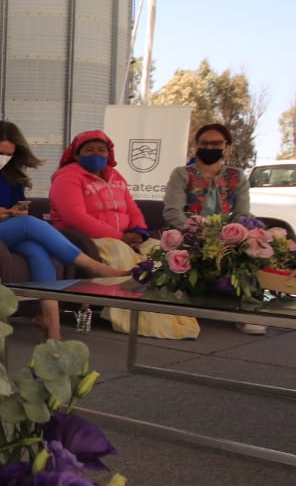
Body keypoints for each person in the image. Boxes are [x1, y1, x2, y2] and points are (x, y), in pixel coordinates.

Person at [0, 120, 127, 341]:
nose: (4, 159)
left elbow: (13, 206)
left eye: (9, 155)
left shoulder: (10, 173)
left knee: (37, 250)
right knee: (29, 225)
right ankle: (93, 267)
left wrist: (16, 212)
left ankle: (52, 327)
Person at [49, 129, 199, 340]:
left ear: (109, 154)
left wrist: (139, 232)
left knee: (159, 250)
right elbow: (76, 218)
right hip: (85, 239)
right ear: (76, 154)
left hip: (123, 237)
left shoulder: (115, 177)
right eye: (89, 150)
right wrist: (121, 237)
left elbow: (132, 209)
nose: (96, 154)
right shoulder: (67, 177)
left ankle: (169, 315)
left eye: (101, 150)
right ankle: (132, 317)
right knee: (119, 250)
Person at [162, 122, 264, 334]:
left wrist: (232, 235)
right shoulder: (182, 174)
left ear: (226, 146)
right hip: (189, 235)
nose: (209, 148)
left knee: (249, 250)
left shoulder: (236, 176)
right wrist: (196, 233)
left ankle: (248, 312)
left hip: (227, 236)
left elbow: (242, 213)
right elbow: (173, 212)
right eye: (204, 143)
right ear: (196, 146)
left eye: (216, 144)